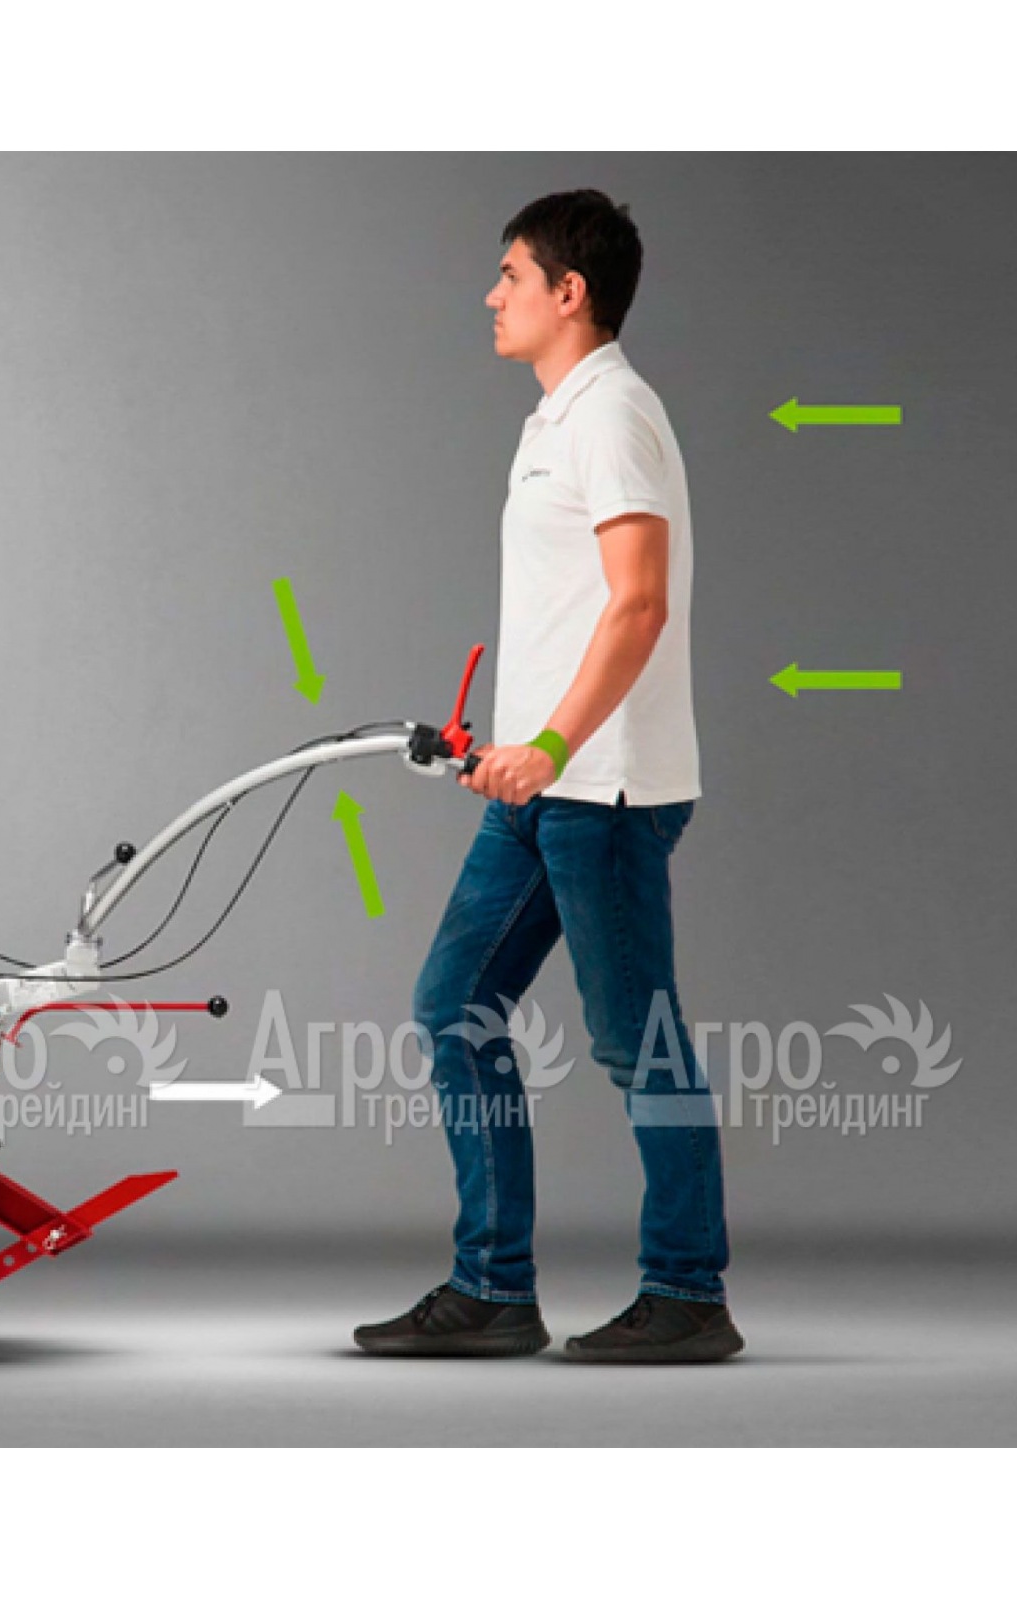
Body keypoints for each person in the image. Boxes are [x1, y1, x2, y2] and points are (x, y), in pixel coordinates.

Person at [354, 189, 742, 1363]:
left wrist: (557, 745)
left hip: (605, 791)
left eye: (511, 274)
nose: (491, 294)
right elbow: (575, 606)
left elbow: (638, 605)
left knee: (635, 1042)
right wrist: (512, 742)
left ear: (569, 292)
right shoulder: (552, 418)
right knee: (453, 1007)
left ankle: (688, 1293)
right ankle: (493, 1290)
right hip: (540, 790)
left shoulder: (611, 413)